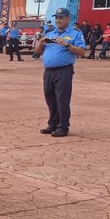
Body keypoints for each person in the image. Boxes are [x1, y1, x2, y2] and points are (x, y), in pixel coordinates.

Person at [35, 8, 86, 138]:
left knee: (62, 99)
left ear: (68, 19)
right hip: (48, 72)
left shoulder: (75, 33)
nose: (58, 20)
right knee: (50, 98)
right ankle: (53, 124)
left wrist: (66, 44)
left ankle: (63, 126)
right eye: (57, 18)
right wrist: (40, 44)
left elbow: (82, 52)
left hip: (63, 71)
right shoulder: (50, 33)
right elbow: (38, 52)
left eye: (61, 18)